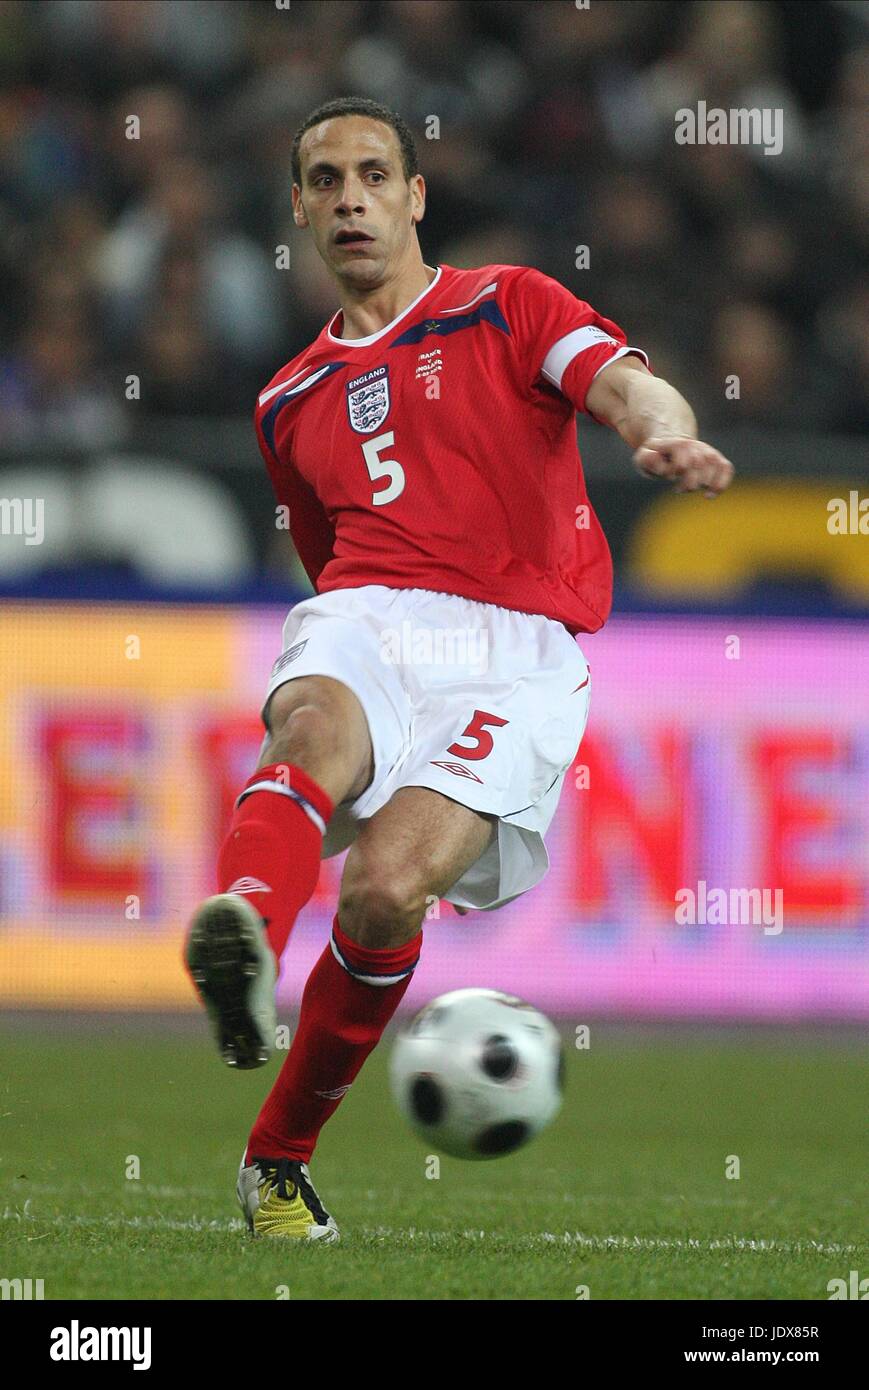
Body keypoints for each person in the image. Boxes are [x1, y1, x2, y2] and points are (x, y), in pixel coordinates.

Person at [184, 97, 734, 1242]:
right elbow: (326, 561)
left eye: (373, 174)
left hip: (514, 650)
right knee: (311, 730)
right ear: (297, 207)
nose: (349, 199)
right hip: (371, 610)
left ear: (414, 194)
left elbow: (625, 382)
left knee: (386, 892)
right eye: (325, 180)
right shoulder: (285, 401)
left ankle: (276, 1161)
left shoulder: (505, 304)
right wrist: (357, 638)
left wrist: (659, 429)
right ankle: (244, 926)